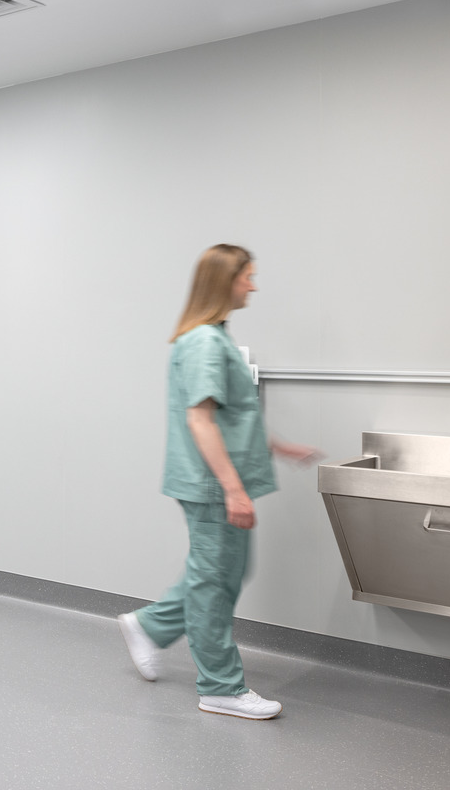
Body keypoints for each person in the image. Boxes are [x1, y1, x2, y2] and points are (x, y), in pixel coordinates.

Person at [117, 244, 317, 719]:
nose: (253, 284)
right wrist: (232, 488)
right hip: (211, 484)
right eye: (247, 276)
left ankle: (149, 625)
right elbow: (200, 421)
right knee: (214, 584)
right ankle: (220, 687)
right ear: (224, 282)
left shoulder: (213, 336)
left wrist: (279, 446)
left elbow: (229, 417)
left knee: (220, 575)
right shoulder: (205, 341)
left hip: (212, 479)